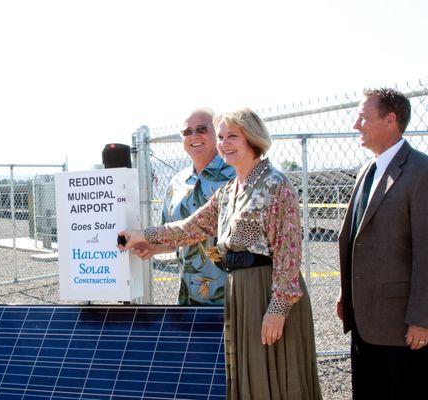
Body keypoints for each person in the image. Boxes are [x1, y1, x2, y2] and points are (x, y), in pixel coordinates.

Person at [120, 108, 321, 399]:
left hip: (266, 291)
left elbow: (288, 253)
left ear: (252, 138)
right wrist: (142, 236)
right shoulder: (229, 191)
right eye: (223, 136)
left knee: (272, 378)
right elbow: (189, 228)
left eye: (232, 136)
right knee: (243, 379)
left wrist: (277, 310)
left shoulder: (276, 184)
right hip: (238, 292)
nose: (225, 143)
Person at [337, 88, 428, 399]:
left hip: (401, 328)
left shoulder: (420, 171)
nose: (355, 124)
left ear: (391, 120)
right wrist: (345, 296)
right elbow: (356, 239)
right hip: (364, 321)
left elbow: (426, 252)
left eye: (363, 117)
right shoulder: (368, 170)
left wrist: (422, 318)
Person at [150, 108, 234, 305]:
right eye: (187, 132)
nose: (194, 136)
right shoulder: (176, 184)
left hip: (232, 298)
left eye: (202, 129)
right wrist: (147, 247)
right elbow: (170, 237)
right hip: (189, 299)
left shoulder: (236, 176)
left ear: (217, 133)